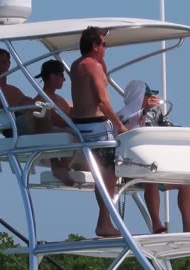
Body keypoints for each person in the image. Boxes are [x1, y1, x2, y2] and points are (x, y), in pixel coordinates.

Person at [117, 80, 190, 233]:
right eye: (147, 95)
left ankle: (188, 225)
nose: (151, 98)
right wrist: (147, 109)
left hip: (150, 167)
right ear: (140, 96)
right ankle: (156, 223)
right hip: (129, 170)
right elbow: (134, 121)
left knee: (186, 183)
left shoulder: (147, 114)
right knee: (150, 179)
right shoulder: (124, 115)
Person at [70, 26, 128, 237]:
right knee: (110, 175)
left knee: (102, 176)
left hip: (81, 126)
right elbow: (102, 101)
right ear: (95, 46)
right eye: (104, 44)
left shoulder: (77, 65)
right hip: (97, 126)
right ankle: (103, 222)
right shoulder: (93, 66)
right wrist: (119, 125)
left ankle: (104, 220)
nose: (106, 49)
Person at [33, 59, 78, 186]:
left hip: (64, 131)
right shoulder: (41, 99)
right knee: (76, 137)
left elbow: (72, 111)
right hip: (51, 135)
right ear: (53, 76)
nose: (64, 79)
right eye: (62, 75)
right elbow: (53, 121)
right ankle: (60, 167)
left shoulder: (59, 99)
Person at [0, 48, 35, 137]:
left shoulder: (14, 90)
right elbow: (6, 106)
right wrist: (22, 105)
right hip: (13, 128)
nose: (0, 66)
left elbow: (28, 103)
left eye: (4, 62)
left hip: (25, 123)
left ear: (9, 64)